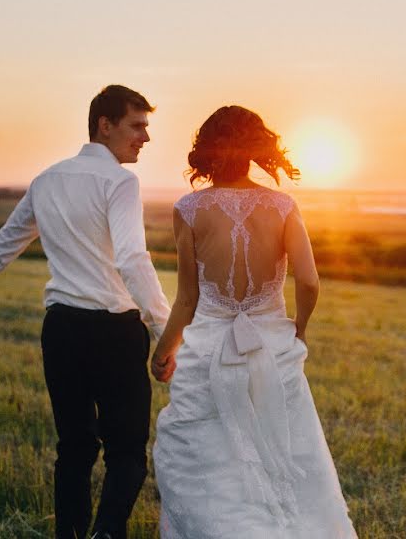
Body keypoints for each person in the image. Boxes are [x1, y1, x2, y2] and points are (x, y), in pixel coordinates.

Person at [0, 85, 171, 539]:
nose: (145, 138)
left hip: (61, 331)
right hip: (115, 332)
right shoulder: (120, 182)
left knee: (74, 449)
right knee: (127, 453)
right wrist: (167, 332)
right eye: (137, 126)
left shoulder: (47, 180)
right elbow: (133, 261)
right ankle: (107, 533)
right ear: (105, 125)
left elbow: (0, 249)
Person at [150, 106, 357, 538]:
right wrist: (298, 328)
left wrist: (164, 349)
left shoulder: (188, 209)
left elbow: (187, 300)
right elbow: (310, 281)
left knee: (208, 454)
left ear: (205, 150)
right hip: (273, 345)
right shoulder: (283, 206)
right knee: (288, 453)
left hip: (209, 349)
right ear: (256, 149)